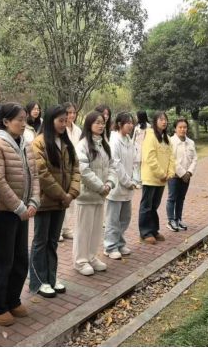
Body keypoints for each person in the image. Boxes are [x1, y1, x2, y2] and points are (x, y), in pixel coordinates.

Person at [0, 103, 40, 326]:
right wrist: (18, 207)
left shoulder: (26, 144)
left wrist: (35, 200)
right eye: (19, 118)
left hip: (23, 211)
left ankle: (12, 300)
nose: (23, 122)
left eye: (24, 118)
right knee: (2, 260)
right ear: (6, 121)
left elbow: (34, 175)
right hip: (4, 212)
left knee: (19, 259)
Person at [30, 105, 80, 297]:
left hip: (62, 202)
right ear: (50, 121)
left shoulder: (67, 144)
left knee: (53, 242)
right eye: (60, 120)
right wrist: (63, 195)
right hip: (45, 202)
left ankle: (51, 277)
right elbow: (43, 174)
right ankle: (38, 281)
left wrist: (72, 193)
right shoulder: (39, 143)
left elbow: (76, 169)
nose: (64, 124)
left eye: (65, 120)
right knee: (40, 242)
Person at [73, 111, 116, 275]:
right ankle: (80, 261)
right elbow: (83, 170)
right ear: (89, 124)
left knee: (96, 229)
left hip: (101, 194)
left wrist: (109, 183)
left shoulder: (104, 143)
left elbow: (112, 166)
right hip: (87, 195)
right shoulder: (82, 144)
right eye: (97, 122)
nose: (100, 125)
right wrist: (100, 187)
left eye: (102, 123)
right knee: (83, 230)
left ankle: (91, 257)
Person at [104, 112, 137, 260]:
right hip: (117, 186)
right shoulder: (114, 140)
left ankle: (119, 242)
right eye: (128, 122)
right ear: (119, 124)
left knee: (125, 217)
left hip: (128, 186)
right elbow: (116, 164)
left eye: (132, 122)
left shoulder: (129, 139)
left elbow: (134, 162)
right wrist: (127, 181)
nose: (131, 125)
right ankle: (110, 247)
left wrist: (134, 179)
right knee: (113, 219)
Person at [139, 111, 175, 244]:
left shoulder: (167, 138)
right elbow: (150, 158)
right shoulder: (150, 136)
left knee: (154, 206)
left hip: (162, 179)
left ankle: (153, 230)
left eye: (165, 119)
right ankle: (145, 232)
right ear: (155, 121)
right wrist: (161, 174)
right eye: (161, 119)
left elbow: (172, 157)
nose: (164, 122)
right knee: (146, 206)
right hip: (151, 178)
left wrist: (170, 173)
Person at [166, 118, 197, 232]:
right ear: (175, 129)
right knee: (172, 198)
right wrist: (182, 173)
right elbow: (172, 159)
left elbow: (195, 159)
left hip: (187, 176)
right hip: (174, 175)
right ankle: (171, 221)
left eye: (185, 127)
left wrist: (189, 172)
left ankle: (178, 219)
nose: (183, 129)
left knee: (181, 198)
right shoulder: (171, 141)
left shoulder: (191, 142)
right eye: (180, 127)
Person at [59, 101, 82, 241]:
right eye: (68, 113)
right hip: (62, 168)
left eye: (73, 112)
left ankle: (66, 228)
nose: (71, 115)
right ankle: (59, 230)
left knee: (72, 199)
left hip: (74, 166)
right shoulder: (61, 130)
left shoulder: (78, 130)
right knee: (62, 199)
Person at [132, 110, 150, 187]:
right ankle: (137, 181)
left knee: (141, 165)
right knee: (136, 165)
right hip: (137, 148)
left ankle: (140, 182)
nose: (136, 117)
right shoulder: (137, 126)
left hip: (144, 148)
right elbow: (133, 138)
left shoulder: (148, 127)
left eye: (137, 116)